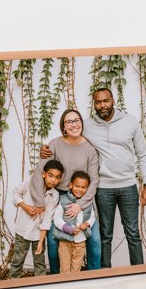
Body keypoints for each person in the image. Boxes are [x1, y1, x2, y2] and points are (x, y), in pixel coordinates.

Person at [41, 88, 146, 268]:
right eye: (98, 102)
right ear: (94, 104)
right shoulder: (87, 126)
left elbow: (143, 153)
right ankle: (104, 275)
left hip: (128, 185)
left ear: (113, 100)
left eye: (106, 101)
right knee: (105, 235)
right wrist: (45, 150)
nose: (102, 105)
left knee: (133, 233)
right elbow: (69, 136)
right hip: (103, 188)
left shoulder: (130, 122)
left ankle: (139, 273)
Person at [29, 109, 101, 273]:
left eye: (77, 120)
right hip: (59, 197)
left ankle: (96, 279)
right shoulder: (54, 145)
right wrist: (40, 202)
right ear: (63, 126)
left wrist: (81, 205)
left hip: (83, 198)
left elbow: (94, 179)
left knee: (95, 239)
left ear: (82, 123)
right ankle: (57, 277)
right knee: (54, 241)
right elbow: (40, 171)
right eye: (69, 122)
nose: (74, 124)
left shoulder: (90, 148)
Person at [9, 160, 64, 278]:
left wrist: (40, 241)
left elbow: (48, 218)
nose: (53, 180)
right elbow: (15, 194)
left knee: (39, 260)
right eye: (50, 175)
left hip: (39, 232)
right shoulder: (29, 183)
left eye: (57, 177)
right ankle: (13, 282)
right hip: (22, 229)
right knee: (18, 259)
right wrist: (25, 207)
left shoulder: (54, 195)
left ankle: (41, 285)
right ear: (43, 174)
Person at [53, 171, 96, 273]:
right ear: (71, 185)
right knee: (64, 267)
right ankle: (64, 287)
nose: (79, 190)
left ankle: (74, 287)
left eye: (83, 187)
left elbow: (92, 217)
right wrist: (69, 229)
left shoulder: (88, 203)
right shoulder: (63, 201)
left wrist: (86, 224)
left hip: (80, 241)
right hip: (65, 241)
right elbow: (57, 219)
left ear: (87, 188)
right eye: (77, 186)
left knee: (76, 268)